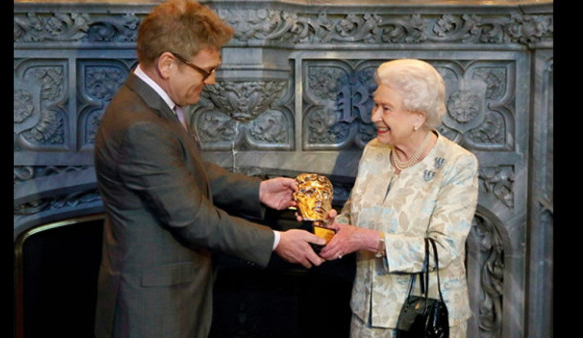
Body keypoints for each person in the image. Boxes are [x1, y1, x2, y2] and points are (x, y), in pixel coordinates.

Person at [93, 1, 325, 337]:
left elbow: (187, 170)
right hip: (151, 308)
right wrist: (276, 241)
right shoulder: (140, 125)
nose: (212, 81)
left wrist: (258, 190)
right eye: (206, 70)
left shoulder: (149, 105)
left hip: (166, 295)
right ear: (168, 64)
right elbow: (193, 219)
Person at [318, 59, 479, 337]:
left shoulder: (457, 164)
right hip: (366, 316)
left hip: (423, 320)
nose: (373, 116)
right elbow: (353, 213)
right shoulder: (374, 152)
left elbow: (443, 249)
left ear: (418, 116)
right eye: (376, 104)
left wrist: (365, 239)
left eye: (386, 108)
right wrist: (334, 224)